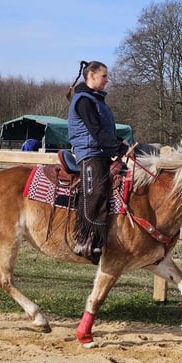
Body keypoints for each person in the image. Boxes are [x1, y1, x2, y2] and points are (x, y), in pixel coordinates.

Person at [66, 60, 130, 262]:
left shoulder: (97, 100)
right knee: (98, 189)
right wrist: (116, 147)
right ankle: (87, 240)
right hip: (90, 152)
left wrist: (120, 143)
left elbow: (105, 131)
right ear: (91, 75)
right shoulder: (84, 100)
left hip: (101, 150)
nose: (107, 80)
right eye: (104, 76)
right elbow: (95, 131)